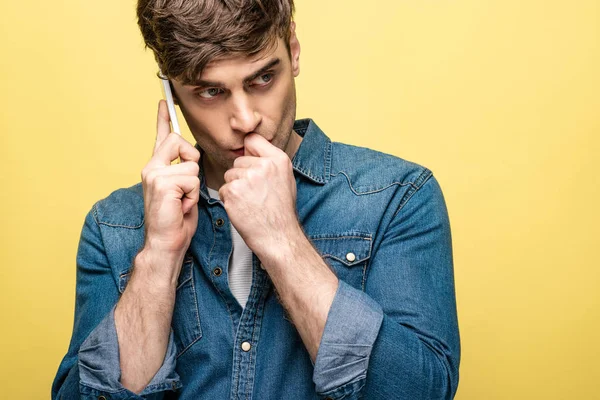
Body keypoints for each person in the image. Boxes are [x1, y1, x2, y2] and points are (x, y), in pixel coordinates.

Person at [52, 0, 460, 398]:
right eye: (211, 91)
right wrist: (158, 256)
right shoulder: (114, 227)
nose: (246, 119)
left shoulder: (399, 197)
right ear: (172, 91)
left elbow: (420, 390)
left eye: (263, 79)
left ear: (293, 51)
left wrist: (283, 241)